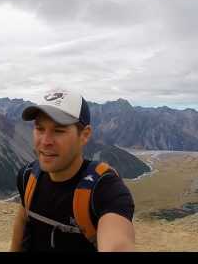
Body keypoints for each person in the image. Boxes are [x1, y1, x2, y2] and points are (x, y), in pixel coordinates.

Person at [9, 87, 135, 252]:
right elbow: (24, 220)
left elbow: (117, 243)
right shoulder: (28, 176)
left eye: (59, 131)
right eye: (39, 129)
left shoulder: (104, 189)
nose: (45, 141)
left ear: (85, 134)